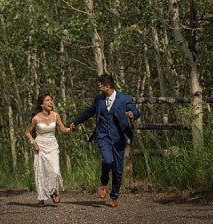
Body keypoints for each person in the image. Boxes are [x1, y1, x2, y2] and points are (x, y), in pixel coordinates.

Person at [70, 74, 140, 208]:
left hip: (119, 138)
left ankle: (114, 197)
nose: (99, 88)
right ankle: (103, 182)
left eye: (100, 86)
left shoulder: (124, 99)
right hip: (103, 136)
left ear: (107, 86)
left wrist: (133, 114)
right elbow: (89, 112)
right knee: (108, 160)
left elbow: (136, 111)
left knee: (117, 170)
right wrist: (76, 122)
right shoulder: (99, 100)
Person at [24, 93, 72, 207]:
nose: (50, 102)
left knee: (55, 171)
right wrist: (34, 143)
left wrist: (71, 129)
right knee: (41, 172)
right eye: (47, 100)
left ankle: (54, 191)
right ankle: (41, 197)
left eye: (51, 100)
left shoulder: (55, 115)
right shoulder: (36, 118)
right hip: (40, 146)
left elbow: (63, 130)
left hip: (52, 145)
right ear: (42, 104)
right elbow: (27, 132)